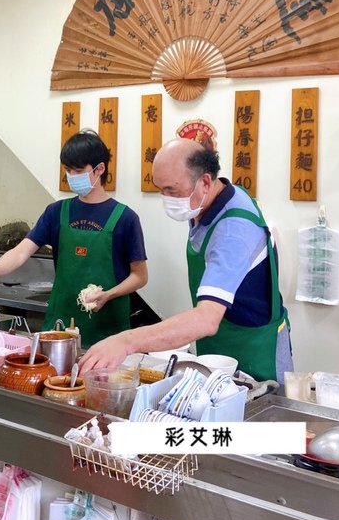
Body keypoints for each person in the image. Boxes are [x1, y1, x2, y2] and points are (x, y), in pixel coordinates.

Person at [78, 138, 292, 383]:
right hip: (220, 348)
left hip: (254, 355)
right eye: (160, 189)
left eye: (171, 190)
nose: (165, 198)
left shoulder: (234, 231)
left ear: (204, 182)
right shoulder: (209, 199)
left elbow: (206, 319)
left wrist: (126, 341)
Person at [0, 130, 149, 348]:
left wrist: (108, 295)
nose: (72, 176)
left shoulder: (125, 218)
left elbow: (140, 276)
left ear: (99, 169)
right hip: (60, 322)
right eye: (68, 170)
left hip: (107, 330)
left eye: (79, 170)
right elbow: (21, 251)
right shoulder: (57, 212)